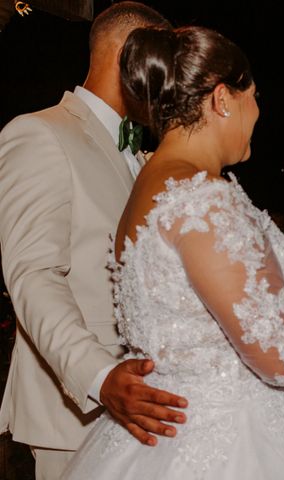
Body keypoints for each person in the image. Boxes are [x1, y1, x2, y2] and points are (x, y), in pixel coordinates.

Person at [61, 25, 284, 479]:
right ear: (223, 99)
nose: (258, 112)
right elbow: (277, 357)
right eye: (255, 96)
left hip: (169, 432)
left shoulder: (148, 186)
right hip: (234, 438)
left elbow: (207, 315)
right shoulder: (204, 199)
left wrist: (276, 317)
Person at [0, 3, 190, 479]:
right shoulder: (40, 134)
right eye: (165, 63)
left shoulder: (149, 158)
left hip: (149, 411)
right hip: (78, 416)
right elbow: (33, 275)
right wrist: (101, 377)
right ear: (134, 56)